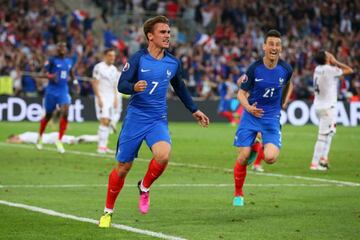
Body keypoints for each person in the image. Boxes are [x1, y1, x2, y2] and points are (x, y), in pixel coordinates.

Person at [98, 15, 209, 228]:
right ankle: (107, 211)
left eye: (168, 32)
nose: (168, 35)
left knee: (163, 155)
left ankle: (145, 186)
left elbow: (180, 88)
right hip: (136, 119)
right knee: (123, 168)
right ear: (150, 36)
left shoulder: (173, 62)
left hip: (157, 119)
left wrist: (194, 110)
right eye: (163, 32)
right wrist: (134, 87)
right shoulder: (138, 58)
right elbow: (122, 85)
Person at [232, 29, 293, 206]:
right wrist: (249, 108)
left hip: (271, 118)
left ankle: (258, 144)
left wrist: (284, 101)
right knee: (243, 157)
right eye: (271, 44)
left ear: (280, 48)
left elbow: (290, 83)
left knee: (271, 158)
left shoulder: (285, 69)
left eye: (277, 45)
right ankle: (238, 193)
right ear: (264, 46)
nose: (274, 48)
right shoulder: (254, 69)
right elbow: (241, 94)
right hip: (251, 115)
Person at [310, 51, 353, 170]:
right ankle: (314, 163)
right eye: (328, 54)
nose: (330, 54)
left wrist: (332, 63)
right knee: (322, 136)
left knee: (331, 131)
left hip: (320, 105)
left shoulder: (318, 68)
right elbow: (350, 70)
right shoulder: (330, 69)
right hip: (327, 107)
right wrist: (336, 62)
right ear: (327, 58)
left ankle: (323, 158)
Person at [36, 42, 76, 153]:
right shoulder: (52, 60)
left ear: (66, 50)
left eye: (64, 47)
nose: (62, 49)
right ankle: (40, 137)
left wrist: (76, 82)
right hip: (51, 91)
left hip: (63, 90)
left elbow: (72, 73)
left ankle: (59, 140)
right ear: (57, 50)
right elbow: (42, 73)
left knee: (66, 111)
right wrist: (50, 76)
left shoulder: (69, 61)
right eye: (60, 47)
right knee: (48, 115)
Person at [91, 48, 122, 154]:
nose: (112, 58)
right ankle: (101, 147)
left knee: (108, 121)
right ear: (105, 56)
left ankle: (103, 146)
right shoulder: (99, 67)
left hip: (110, 97)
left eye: (113, 56)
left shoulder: (114, 69)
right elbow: (94, 82)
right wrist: (98, 98)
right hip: (101, 96)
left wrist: (116, 98)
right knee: (104, 120)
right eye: (110, 55)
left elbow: (115, 86)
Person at [7, 132, 98, 145]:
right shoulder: (25, 134)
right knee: (74, 140)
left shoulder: (23, 136)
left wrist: (9, 142)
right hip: (50, 137)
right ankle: (96, 138)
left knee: (73, 140)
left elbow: (19, 142)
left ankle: (96, 138)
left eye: (13, 139)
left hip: (50, 138)